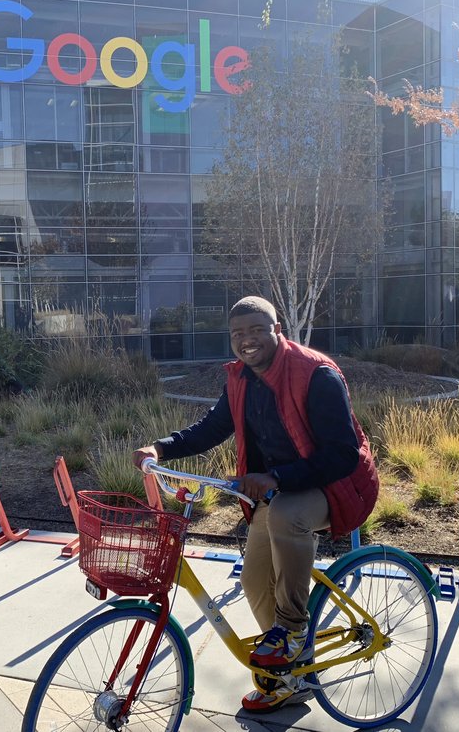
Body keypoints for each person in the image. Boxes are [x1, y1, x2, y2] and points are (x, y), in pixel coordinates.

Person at [132, 296, 379, 714]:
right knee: (253, 580)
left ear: (277, 330)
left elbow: (343, 455)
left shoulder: (316, 374)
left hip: (338, 485)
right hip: (281, 487)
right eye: (237, 334)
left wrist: (277, 478)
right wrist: (159, 447)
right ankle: (289, 675)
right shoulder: (241, 379)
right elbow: (212, 427)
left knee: (286, 515)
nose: (246, 341)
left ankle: (293, 629)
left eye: (256, 331)